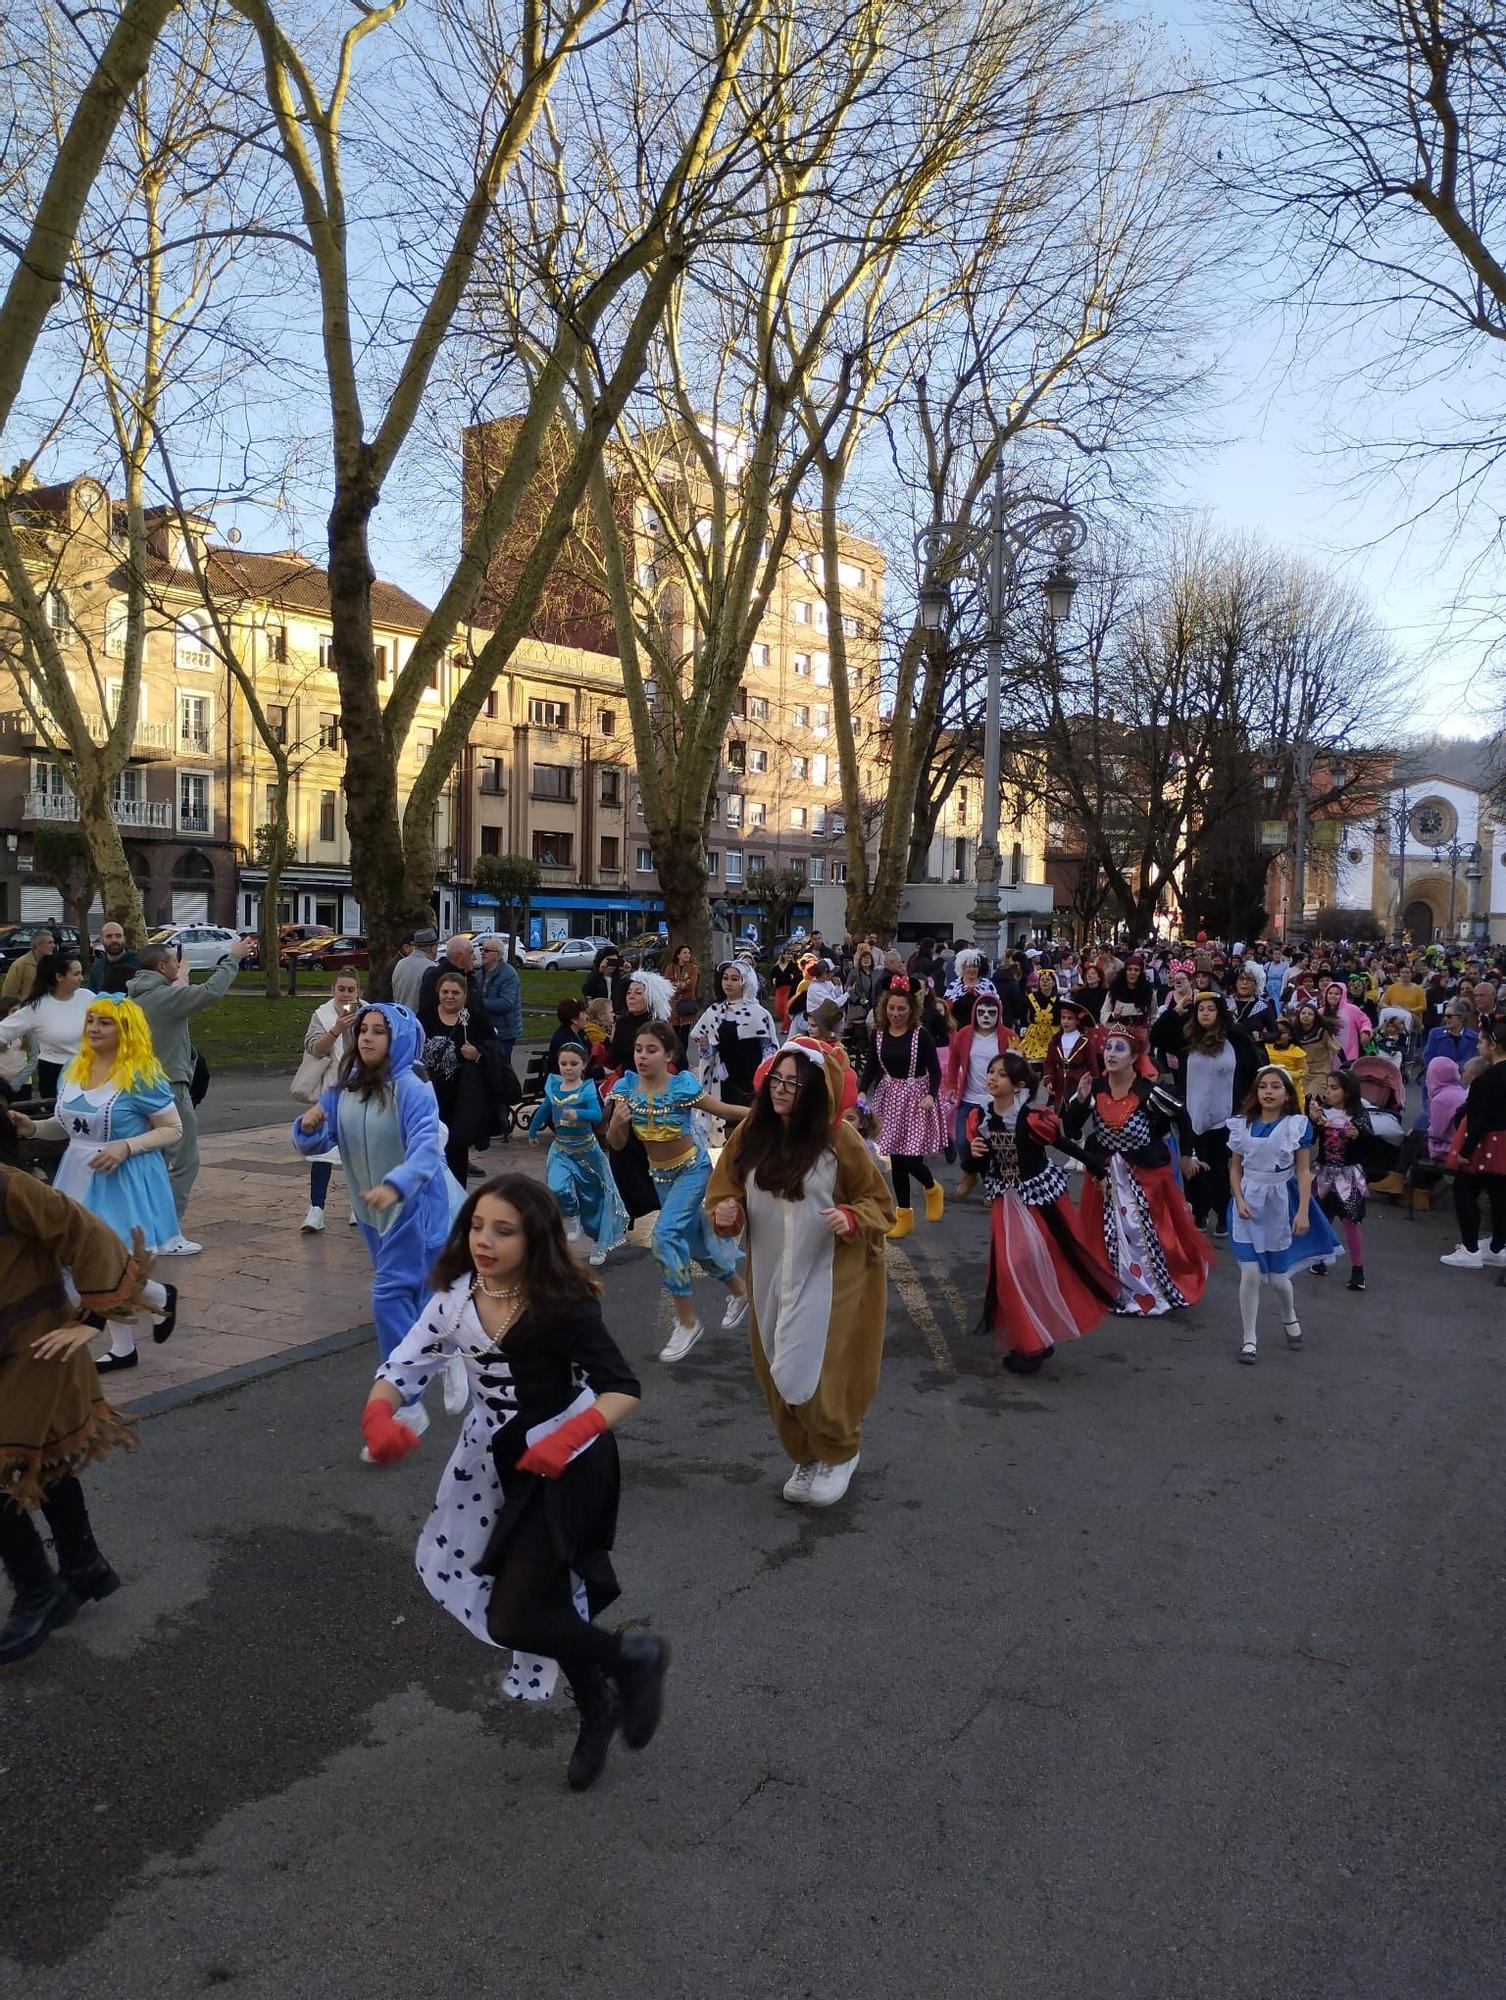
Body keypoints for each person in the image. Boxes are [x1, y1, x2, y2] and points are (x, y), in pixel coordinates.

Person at [359, 1176, 669, 1791]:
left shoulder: (561, 1302)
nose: (484, 1240)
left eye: (504, 1230)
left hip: (567, 1461)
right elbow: (405, 1364)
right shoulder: (454, 1297)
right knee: (547, 1604)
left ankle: (631, 1659)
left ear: (535, 1237)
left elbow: (621, 1388)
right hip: (492, 1462)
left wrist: (560, 1440)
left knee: (512, 1616)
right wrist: (378, 1412)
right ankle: (601, 1704)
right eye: (477, 1225)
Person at [705, 1039, 893, 1506]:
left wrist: (852, 1217)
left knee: (814, 1368)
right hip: (768, 1272)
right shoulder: (751, 1131)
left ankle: (839, 1450)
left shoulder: (839, 1140)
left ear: (814, 1091)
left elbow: (879, 1204)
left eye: (793, 1083)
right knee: (774, 1368)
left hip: (831, 1273)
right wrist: (727, 1213)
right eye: (777, 1080)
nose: (781, 1090)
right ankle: (807, 1454)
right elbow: (724, 1189)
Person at [0, 1140, 161, 1663]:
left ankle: (39, 1592)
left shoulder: (8, 1186)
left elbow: (85, 1231)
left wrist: (92, 1319)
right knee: (43, 1455)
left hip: (35, 1346)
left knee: (6, 1465)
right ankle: (82, 1564)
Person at [292, 1002, 458, 1446]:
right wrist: (307, 1127)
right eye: (363, 1029)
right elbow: (316, 1141)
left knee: (389, 1298)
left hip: (413, 1210)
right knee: (421, 1298)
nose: (366, 1038)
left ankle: (406, 1403)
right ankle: (449, 1350)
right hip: (372, 1214)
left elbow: (427, 1151)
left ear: (398, 1038)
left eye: (378, 1031)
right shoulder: (344, 1087)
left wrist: (397, 1186)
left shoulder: (413, 1088)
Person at [7, 997, 183, 1373]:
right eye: (91, 1021)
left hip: (124, 1178)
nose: (94, 1029)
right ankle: (143, 1318)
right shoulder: (74, 1068)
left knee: (107, 1258)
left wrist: (126, 1146)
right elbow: (68, 1126)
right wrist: (33, 1128)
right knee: (87, 1258)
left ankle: (134, 1328)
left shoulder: (142, 1077)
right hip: (78, 1172)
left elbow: (172, 1129)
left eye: (105, 1022)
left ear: (126, 1030)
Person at [604, 1019, 749, 1361]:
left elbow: (725, 1111)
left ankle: (686, 1321)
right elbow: (618, 1143)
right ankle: (740, 1291)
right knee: (697, 1245)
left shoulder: (682, 1087)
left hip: (692, 1170)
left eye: (651, 1050)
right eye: (639, 1050)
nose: (642, 1057)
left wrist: (768, 1115)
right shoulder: (626, 1089)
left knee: (664, 1236)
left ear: (668, 1054)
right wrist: (616, 1123)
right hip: (661, 1177)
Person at [965, 1050, 1118, 1374]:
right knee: (1008, 1271)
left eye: (1001, 1074)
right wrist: (975, 1154)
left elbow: (1063, 1144)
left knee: (1032, 1264)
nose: (993, 1077)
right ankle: (1032, 1341)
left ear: (1019, 1084)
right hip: (1005, 1201)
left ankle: (1038, 1337)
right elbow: (973, 1165)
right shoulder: (980, 1117)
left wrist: (1097, 1170)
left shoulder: (1032, 1119)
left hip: (1038, 1200)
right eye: (991, 1071)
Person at [1063, 1027, 1210, 1318]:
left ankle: (1150, 1289)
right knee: (1109, 1232)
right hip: (1104, 1173)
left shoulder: (1149, 1092)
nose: (1111, 1054)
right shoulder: (1094, 1087)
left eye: (1119, 1049)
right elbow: (1070, 1130)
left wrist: (1185, 1156)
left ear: (1134, 1057)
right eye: (1108, 1048)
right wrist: (1079, 1102)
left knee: (1144, 1232)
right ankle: (1115, 1287)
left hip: (1143, 1173)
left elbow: (1182, 1116)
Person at [128, 934, 255, 1250]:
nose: (177, 964)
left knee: (153, 1162)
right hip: (169, 1089)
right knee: (185, 1160)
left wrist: (181, 975)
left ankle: (145, 1231)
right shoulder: (164, 999)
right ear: (160, 967)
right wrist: (233, 956)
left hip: (139, 1089)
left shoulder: (135, 999)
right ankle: (167, 1232)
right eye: (172, 961)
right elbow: (211, 992)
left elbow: (180, 990)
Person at [1227, 1067, 1340, 1364]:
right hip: (1246, 1205)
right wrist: (1238, 1199)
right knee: (1250, 1274)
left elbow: (1303, 1171)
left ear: (1287, 1094)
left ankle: (1289, 1315)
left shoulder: (1295, 1126)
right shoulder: (1242, 1125)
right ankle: (1249, 1339)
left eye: (1276, 1086)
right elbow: (1235, 1168)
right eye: (1263, 1086)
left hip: (1278, 1205)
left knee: (1278, 1279)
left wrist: (1302, 1211)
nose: (1268, 1091)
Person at [527, 1040, 628, 1267]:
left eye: (573, 1063)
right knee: (556, 1186)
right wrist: (532, 1130)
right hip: (562, 1148)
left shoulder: (586, 1089)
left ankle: (596, 1242)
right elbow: (544, 1109)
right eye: (564, 1063)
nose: (568, 1068)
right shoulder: (553, 1086)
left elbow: (595, 1114)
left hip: (586, 1151)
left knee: (592, 1199)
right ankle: (572, 1216)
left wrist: (578, 1113)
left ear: (583, 1065)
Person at [860, 978, 945, 1240]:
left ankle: (932, 1188)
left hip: (916, 1099)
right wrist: (862, 1090)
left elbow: (935, 1070)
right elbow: (872, 1067)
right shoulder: (879, 1035)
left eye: (901, 1009)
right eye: (892, 1008)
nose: (895, 1014)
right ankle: (904, 1215)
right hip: (889, 1097)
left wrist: (931, 1095)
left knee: (910, 1159)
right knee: (896, 1159)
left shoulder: (921, 1036)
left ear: (912, 1010)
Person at [1175, 992, 1261, 1237]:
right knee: (1193, 1167)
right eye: (1201, 1009)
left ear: (1220, 1012)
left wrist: (1247, 1105)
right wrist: (1178, 1009)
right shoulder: (1188, 1036)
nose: (1205, 1014)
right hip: (1192, 1114)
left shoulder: (1236, 1037)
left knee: (1220, 1169)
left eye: (1211, 1009)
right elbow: (1159, 1035)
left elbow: (1252, 1070)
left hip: (1226, 1115)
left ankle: (1222, 1212)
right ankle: (1199, 1212)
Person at [1439, 1013, 1506, 1270]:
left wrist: (1465, 1151)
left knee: (1464, 1191)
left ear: (1493, 1044)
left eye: (1480, 1041)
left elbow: (1480, 1119)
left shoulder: (1487, 1079)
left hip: (1487, 1143)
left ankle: (1470, 1248)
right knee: (1500, 1195)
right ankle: (1498, 1247)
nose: (1477, 1046)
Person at [420, 966, 498, 1185]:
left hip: (461, 1100)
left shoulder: (475, 1021)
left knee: (455, 1152)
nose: (449, 996)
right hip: (429, 1098)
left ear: (465, 995)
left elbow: (495, 1053)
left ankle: (456, 1199)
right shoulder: (425, 1018)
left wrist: (477, 1054)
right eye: (445, 992)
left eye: (455, 992)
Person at [297, 968, 361, 1232]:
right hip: (330, 1091)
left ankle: (359, 1205)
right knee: (322, 1151)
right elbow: (315, 1049)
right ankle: (316, 1209)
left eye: (351, 989)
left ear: (358, 992)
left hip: (361, 1092)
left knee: (358, 1151)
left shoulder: (368, 1012)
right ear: (333, 990)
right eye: (341, 989)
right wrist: (335, 1030)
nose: (345, 994)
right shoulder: (321, 1015)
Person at [940, 989, 1012, 1193]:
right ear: (975, 1013)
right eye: (982, 1012)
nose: (986, 1016)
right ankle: (969, 1174)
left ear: (998, 1013)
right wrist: (952, 1084)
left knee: (994, 1145)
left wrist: (1017, 1091)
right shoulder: (964, 1034)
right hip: (969, 1099)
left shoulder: (1009, 1036)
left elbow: (1019, 1065)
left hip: (997, 1102)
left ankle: (991, 1184)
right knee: (963, 1143)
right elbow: (953, 1058)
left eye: (991, 1012)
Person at [1307, 1069, 1371, 1292]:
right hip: (1323, 1174)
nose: (1328, 1091)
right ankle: (1322, 1259)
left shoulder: (1359, 1116)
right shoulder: (1322, 1113)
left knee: (1350, 1222)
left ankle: (1358, 1270)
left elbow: (1370, 1144)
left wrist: (1359, 1136)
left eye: (1334, 1088)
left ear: (1348, 1091)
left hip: (1349, 1177)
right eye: (1327, 1087)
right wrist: (1312, 1121)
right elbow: (1309, 1139)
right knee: (1323, 1218)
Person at [0, 949, 91, 1099]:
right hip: (54, 1074)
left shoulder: (88, 997)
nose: (81, 978)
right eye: (76, 974)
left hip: (87, 1070)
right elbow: (4, 1031)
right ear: (59, 977)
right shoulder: (36, 1007)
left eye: (81, 973)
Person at [687, 961, 779, 1108]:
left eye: (734, 979)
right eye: (725, 978)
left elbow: (769, 1050)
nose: (728, 983)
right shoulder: (715, 1011)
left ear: (745, 981)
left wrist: (764, 1077)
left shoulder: (758, 1013)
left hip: (754, 1079)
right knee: (730, 1124)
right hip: (728, 1079)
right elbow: (710, 1054)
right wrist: (705, 1048)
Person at [1041, 992, 1100, 1112]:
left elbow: (1092, 1066)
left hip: (1077, 1083)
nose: (1065, 1022)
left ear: (1077, 1021)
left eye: (1070, 1018)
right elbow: (1049, 1063)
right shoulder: (1055, 1039)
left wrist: (1093, 1087)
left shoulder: (1084, 1041)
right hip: (1059, 1083)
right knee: (1058, 1114)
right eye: (1063, 1018)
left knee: (1072, 1118)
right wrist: (1048, 1080)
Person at [479, 937, 523, 1066]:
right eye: (482, 949)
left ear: (498, 955)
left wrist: (479, 1003)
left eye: (487, 950)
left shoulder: (508, 974)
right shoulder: (479, 973)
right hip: (486, 1031)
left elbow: (507, 1003)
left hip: (504, 1033)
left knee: (501, 1069)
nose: (482, 953)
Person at [1, 929, 55, 1016]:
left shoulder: (52, 963)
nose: (53, 946)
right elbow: (9, 993)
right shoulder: (20, 964)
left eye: (53, 942)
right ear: (38, 945)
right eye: (50, 943)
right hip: (26, 1012)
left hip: (47, 1010)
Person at [389, 929, 437, 1011]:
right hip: (418, 1020)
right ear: (433, 948)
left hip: (400, 1016)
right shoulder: (431, 967)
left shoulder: (400, 963)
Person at [87, 920, 138, 996]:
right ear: (101, 939)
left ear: (124, 939)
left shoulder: (139, 964)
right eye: (109, 936)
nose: (114, 940)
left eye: (118, 936)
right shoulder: (97, 969)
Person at [669, 944, 700, 1052]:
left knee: (685, 1034)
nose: (687, 955)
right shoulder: (670, 968)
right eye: (685, 953)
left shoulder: (693, 968)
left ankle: (683, 1059)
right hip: (673, 1006)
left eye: (689, 953)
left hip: (687, 1004)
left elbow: (690, 985)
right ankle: (676, 1059)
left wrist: (676, 985)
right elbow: (666, 984)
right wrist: (679, 985)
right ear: (678, 955)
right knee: (674, 1034)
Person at [584, 945, 631, 1012]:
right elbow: (587, 990)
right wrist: (599, 972)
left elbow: (627, 992)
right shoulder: (594, 976)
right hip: (599, 1013)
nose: (611, 965)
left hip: (616, 1013)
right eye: (609, 961)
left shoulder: (619, 978)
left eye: (614, 962)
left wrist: (627, 974)